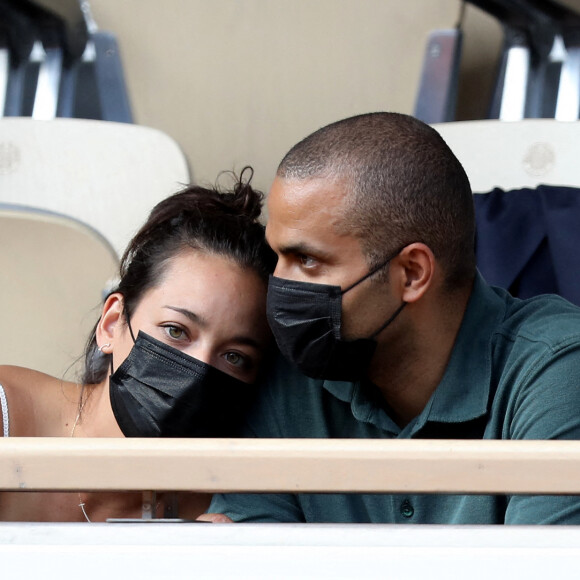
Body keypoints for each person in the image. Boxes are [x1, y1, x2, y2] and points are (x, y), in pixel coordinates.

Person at [209, 112, 580, 524]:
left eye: (307, 261)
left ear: (412, 273)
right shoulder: (290, 374)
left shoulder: (557, 373)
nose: (278, 286)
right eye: (275, 256)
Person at [0, 168, 275, 522]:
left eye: (234, 356)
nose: (198, 372)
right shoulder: (8, 420)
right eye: (176, 331)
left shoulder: (231, 503)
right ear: (112, 323)